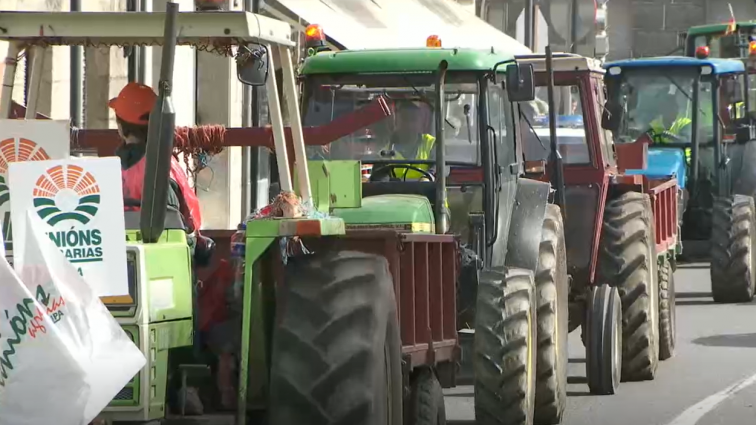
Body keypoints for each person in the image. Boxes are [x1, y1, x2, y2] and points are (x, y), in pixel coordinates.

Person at [110, 82, 212, 262]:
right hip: (167, 260)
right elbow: (188, 223)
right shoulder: (165, 168)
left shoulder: (107, 170)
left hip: (117, 258)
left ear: (121, 126)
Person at [382, 100, 436, 180]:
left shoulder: (431, 143)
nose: (409, 124)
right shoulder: (384, 148)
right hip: (394, 191)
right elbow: (379, 176)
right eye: (405, 119)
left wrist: (427, 177)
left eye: (413, 119)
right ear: (396, 122)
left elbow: (438, 168)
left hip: (425, 191)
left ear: (420, 123)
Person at [648, 95, 693, 163]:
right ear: (663, 110)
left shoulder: (685, 123)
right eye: (670, 108)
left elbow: (687, 141)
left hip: (685, 164)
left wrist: (671, 136)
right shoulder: (654, 125)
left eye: (676, 108)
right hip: (659, 162)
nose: (674, 111)